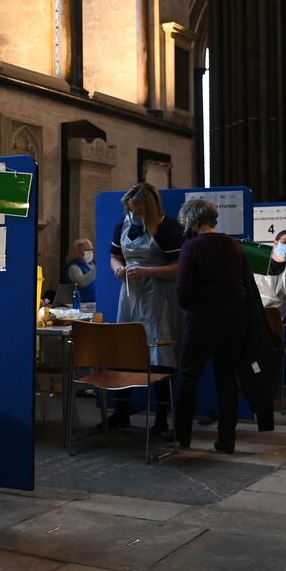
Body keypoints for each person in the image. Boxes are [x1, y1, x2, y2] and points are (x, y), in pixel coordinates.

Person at [173, 199, 250, 453]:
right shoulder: (233, 244)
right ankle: (227, 438)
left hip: (202, 319)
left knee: (188, 376)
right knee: (227, 379)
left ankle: (182, 435)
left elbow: (183, 291)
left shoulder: (191, 247)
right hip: (234, 318)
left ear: (194, 222)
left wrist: (191, 304)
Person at [108, 182, 183, 435]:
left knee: (159, 354)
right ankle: (121, 411)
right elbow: (115, 255)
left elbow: (178, 268)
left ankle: (161, 418)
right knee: (125, 349)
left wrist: (147, 271)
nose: (134, 215)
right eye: (131, 210)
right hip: (130, 294)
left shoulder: (169, 228)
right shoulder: (124, 223)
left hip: (159, 297)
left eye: (139, 211)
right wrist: (117, 268)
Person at [63, 237, 97, 307]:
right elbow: (82, 282)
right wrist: (97, 270)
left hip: (94, 303)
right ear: (77, 251)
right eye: (87, 250)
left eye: (91, 250)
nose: (90, 252)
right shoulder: (74, 266)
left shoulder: (93, 264)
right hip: (80, 304)